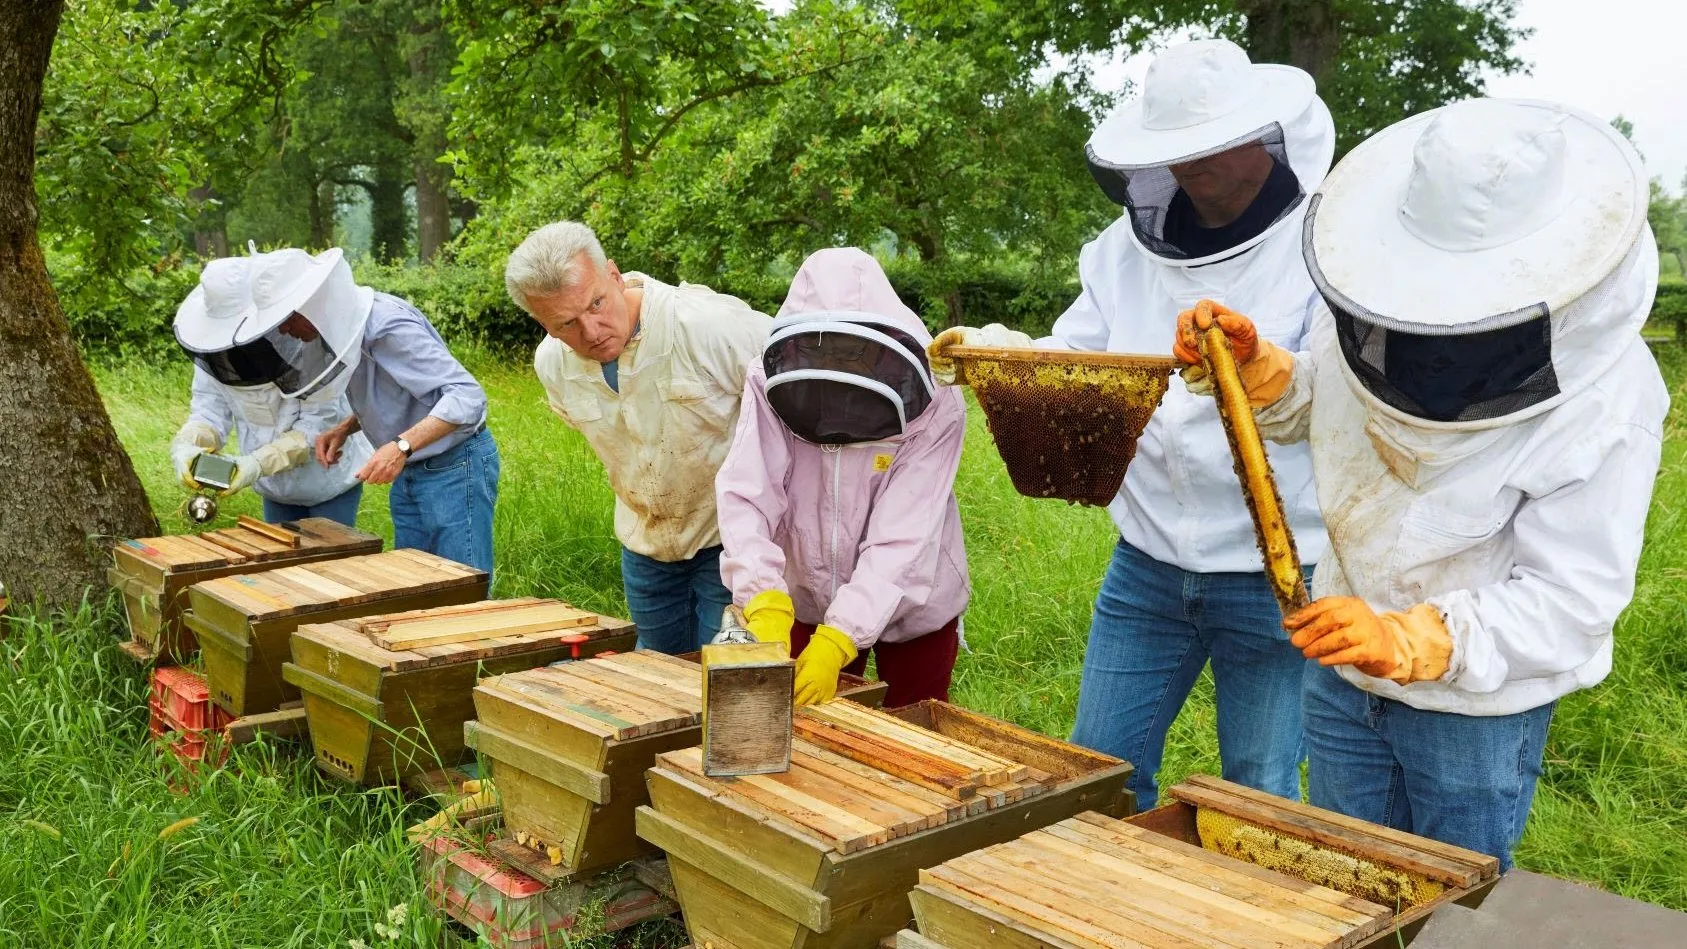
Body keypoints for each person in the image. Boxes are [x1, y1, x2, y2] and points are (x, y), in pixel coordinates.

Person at [1174, 97, 1668, 869]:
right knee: (1343, 877)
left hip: (1472, 712)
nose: (1432, 322)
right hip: (1341, 673)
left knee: (1451, 901)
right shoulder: (1374, 296)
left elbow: (1573, 597)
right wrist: (1262, 374)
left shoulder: (1609, 394)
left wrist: (1409, 636)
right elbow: (1341, 406)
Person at [928, 39, 1332, 808]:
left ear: (1261, 134)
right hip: (1146, 559)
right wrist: (995, 353)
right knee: (1096, 770)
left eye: (1206, 146)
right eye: (1172, 150)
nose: (1187, 166)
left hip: (1279, 568)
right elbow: (1071, 357)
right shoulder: (1120, 252)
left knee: (1257, 786)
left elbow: (1331, 401)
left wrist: (1260, 365)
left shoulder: (1319, 245)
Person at [716, 247, 970, 707]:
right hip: (803, 595)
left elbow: (902, 540)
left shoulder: (935, 399)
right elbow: (747, 493)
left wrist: (840, 639)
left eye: (853, 356)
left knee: (914, 734)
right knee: (808, 737)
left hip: (914, 601)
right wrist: (762, 596)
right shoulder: (767, 377)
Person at [505, 222, 770, 652]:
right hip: (644, 548)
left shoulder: (706, 325)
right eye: (567, 323)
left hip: (734, 544)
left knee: (725, 680)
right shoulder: (552, 364)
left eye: (597, 304)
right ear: (541, 323)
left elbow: (795, 401)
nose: (591, 332)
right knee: (658, 680)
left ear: (614, 275)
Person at [180, 246, 500, 577]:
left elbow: (467, 396)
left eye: (287, 319)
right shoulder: (345, 333)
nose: (284, 332)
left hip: (453, 465)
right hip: (413, 470)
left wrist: (401, 446)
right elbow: (395, 396)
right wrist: (346, 428)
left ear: (314, 305)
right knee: (419, 580)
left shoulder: (388, 326)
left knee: (464, 582)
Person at [171, 255, 372, 526]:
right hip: (272, 488)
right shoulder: (212, 348)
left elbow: (317, 426)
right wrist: (188, 446)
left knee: (327, 563)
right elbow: (209, 411)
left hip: (327, 480)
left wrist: (257, 464)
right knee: (281, 563)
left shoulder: (306, 340)